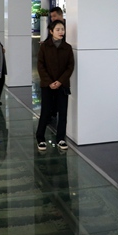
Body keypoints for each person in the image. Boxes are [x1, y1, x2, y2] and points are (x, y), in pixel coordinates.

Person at [36, 19, 75, 151]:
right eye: (57, 29)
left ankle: (60, 138)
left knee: (62, 113)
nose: (61, 32)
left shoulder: (67, 47)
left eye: (62, 29)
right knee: (46, 112)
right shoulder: (44, 46)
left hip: (62, 85)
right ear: (51, 31)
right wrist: (49, 82)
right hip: (47, 85)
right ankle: (40, 138)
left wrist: (60, 82)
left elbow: (70, 67)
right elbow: (40, 66)